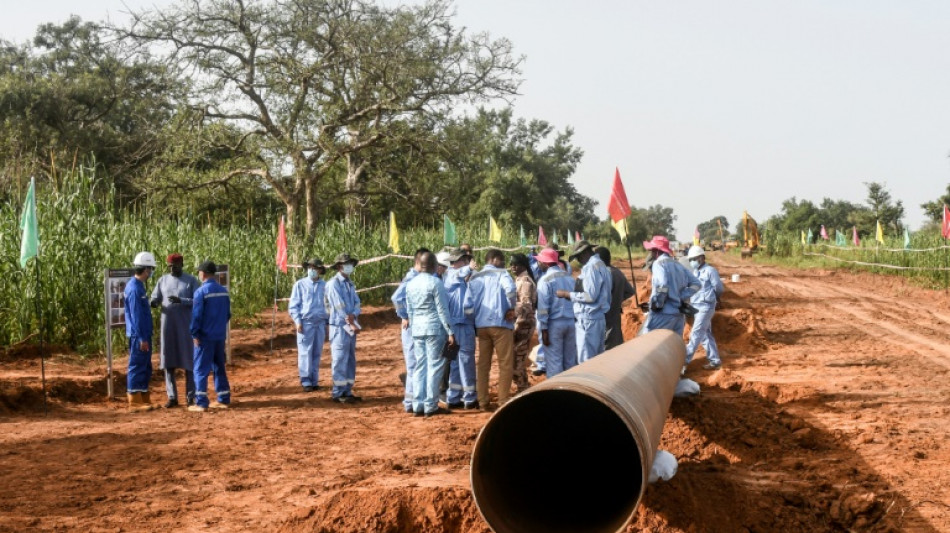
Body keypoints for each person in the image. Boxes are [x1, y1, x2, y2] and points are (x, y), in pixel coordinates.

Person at [463, 248, 517, 409]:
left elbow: (467, 306)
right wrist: (511, 308)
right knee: (505, 364)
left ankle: (483, 402)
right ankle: (502, 401)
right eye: (502, 260)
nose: (504, 264)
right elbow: (511, 290)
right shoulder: (502, 274)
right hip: (501, 325)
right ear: (494, 259)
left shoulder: (475, 277)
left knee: (483, 365)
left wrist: (475, 320)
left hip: (482, 327)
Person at [406, 251, 456, 417]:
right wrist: (450, 331)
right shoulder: (436, 283)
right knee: (435, 366)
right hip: (434, 328)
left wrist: (413, 327)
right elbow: (442, 310)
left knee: (420, 366)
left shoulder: (411, 284)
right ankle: (430, 405)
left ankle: (418, 404)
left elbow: (410, 311)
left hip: (417, 329)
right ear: (434, 266)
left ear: (420, 265)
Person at [150, 253, 200, 408]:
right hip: (168, 328)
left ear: (182, 265)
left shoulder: (191, 281)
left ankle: (190, 397)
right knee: (168, 362)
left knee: (189, 363)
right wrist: (153, 302)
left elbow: (199, 301)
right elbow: (155, 297)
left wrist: (182, 301)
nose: (172, 269)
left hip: (185, 328)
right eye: (170, 266)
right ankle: (172, 397)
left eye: (175, 266)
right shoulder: (162, 280)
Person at [556, 240, 612, 363]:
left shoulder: (591, 267)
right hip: (597, 318)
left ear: (584, 253)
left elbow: (590, 296)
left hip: (588, 319)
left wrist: (567, 294)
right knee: (597, 360)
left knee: (586, 360)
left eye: (578, 257)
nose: (579, 261)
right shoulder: (601, 265)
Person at [188, 261, 232, 412]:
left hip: (205, 337)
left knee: (200, 369)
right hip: (219, 336)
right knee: (219, 367)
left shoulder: (201, 292)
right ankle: (224, 398)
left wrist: (195, 333)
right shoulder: (223, 291)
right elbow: (227, 314)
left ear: (203, 273)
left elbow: (196, 316)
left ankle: (201, 402)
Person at [392, 248, 430, 413]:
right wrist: (404, 315)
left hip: (419, 325)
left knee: (419, 364)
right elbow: (396, 298)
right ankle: (412, 402)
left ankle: (413, 401)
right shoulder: (411, 278)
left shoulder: (421, 277)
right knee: (415, 365)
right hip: (412, 327)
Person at [640, 235, 701, 338]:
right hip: (678, 316)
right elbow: (697, 284)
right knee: (673, 347)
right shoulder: (678, 265)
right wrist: (680, 296)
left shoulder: (658, 264)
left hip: (663, 314)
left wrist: (658, 304)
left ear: (657, 251)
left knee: (648, 344)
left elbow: (663, 285)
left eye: (652, 250)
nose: (652, 253)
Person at [443, 247, 478, 409]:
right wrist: (469, 268)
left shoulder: (461, 277)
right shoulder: (452, 275)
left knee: (457, 362)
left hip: (459, 324)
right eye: (464, 260)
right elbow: (460, 274)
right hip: (461, 325)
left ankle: (454, 396)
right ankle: (469, 397)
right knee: (465, 361)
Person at [288, 257, 329, 392]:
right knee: (305, 352)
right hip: (306, 323)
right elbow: (294, 306)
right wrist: (298, 322)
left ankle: (314, 380)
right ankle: (306, 381)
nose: (312, 270)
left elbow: (329, 305)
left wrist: (328, 322)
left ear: (319, 270)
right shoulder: (300, 285)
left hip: (320, 323)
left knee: (317, 352)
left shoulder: (325, 286)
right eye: (310, 267)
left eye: (315, 268)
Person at [535, 248, 577, 378]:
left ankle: (556, 394)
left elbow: (543, 308)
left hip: (554, 325)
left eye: (540, 261)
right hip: (571, 323)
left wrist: (543, 329)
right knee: (570, 361)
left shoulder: (545, 280)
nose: (538, 264)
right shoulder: (570, 278)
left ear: (546, 263)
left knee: (554, 362)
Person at [326, 253, 362, 403]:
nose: (350, 267)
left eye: (351, 264)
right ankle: (338, 392)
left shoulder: (350, 284)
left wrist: (354, 314)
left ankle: (347, 390)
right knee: (340, 359)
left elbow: (357, 302)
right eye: (347, 264)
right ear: (340, 266)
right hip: (340, 327)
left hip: (350, 326)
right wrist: (350, 320)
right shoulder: (333, 284)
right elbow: (338, 305)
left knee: (350, 360)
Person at [126, 251, 157, 412]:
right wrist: (142, 338)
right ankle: (134, 401)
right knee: (137, 365)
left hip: (144, 334)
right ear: (145, 270)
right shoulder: (134, 289)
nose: (151, 272)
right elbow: (137, 316)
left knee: (145, 366)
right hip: (139, 335)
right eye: (150, 269)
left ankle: (144, 396)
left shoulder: (138, 287)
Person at [684, 245, 725, 371]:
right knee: (705, 334)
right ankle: (715, 361)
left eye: (694, 259)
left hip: (706, 306)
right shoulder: (695, 272)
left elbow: (718, 288)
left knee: (696, 332)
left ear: (702, 258)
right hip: (697, 305)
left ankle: (684, 360)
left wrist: (714, 298)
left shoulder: (710, 271)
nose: (692, 262)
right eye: (690, 260)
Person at [595, 246, 637, 351]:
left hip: (605, 319)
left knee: (605, 351)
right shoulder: (617, 272)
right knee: (616, 349)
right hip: (615, 318)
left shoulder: (603, 274)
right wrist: (617, 300)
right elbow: (630, 291)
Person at [509, 253, 537, 393]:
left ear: (523, 265)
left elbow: (526, 306)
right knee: (517, 358)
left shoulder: (525, 282)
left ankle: (523, 388)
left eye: (516, 264)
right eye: (511, 264)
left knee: (517, 359)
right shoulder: (519, 279)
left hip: (523, 324)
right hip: (521, 323)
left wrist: (511, 311)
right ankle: (523, 385)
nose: (513, 267)